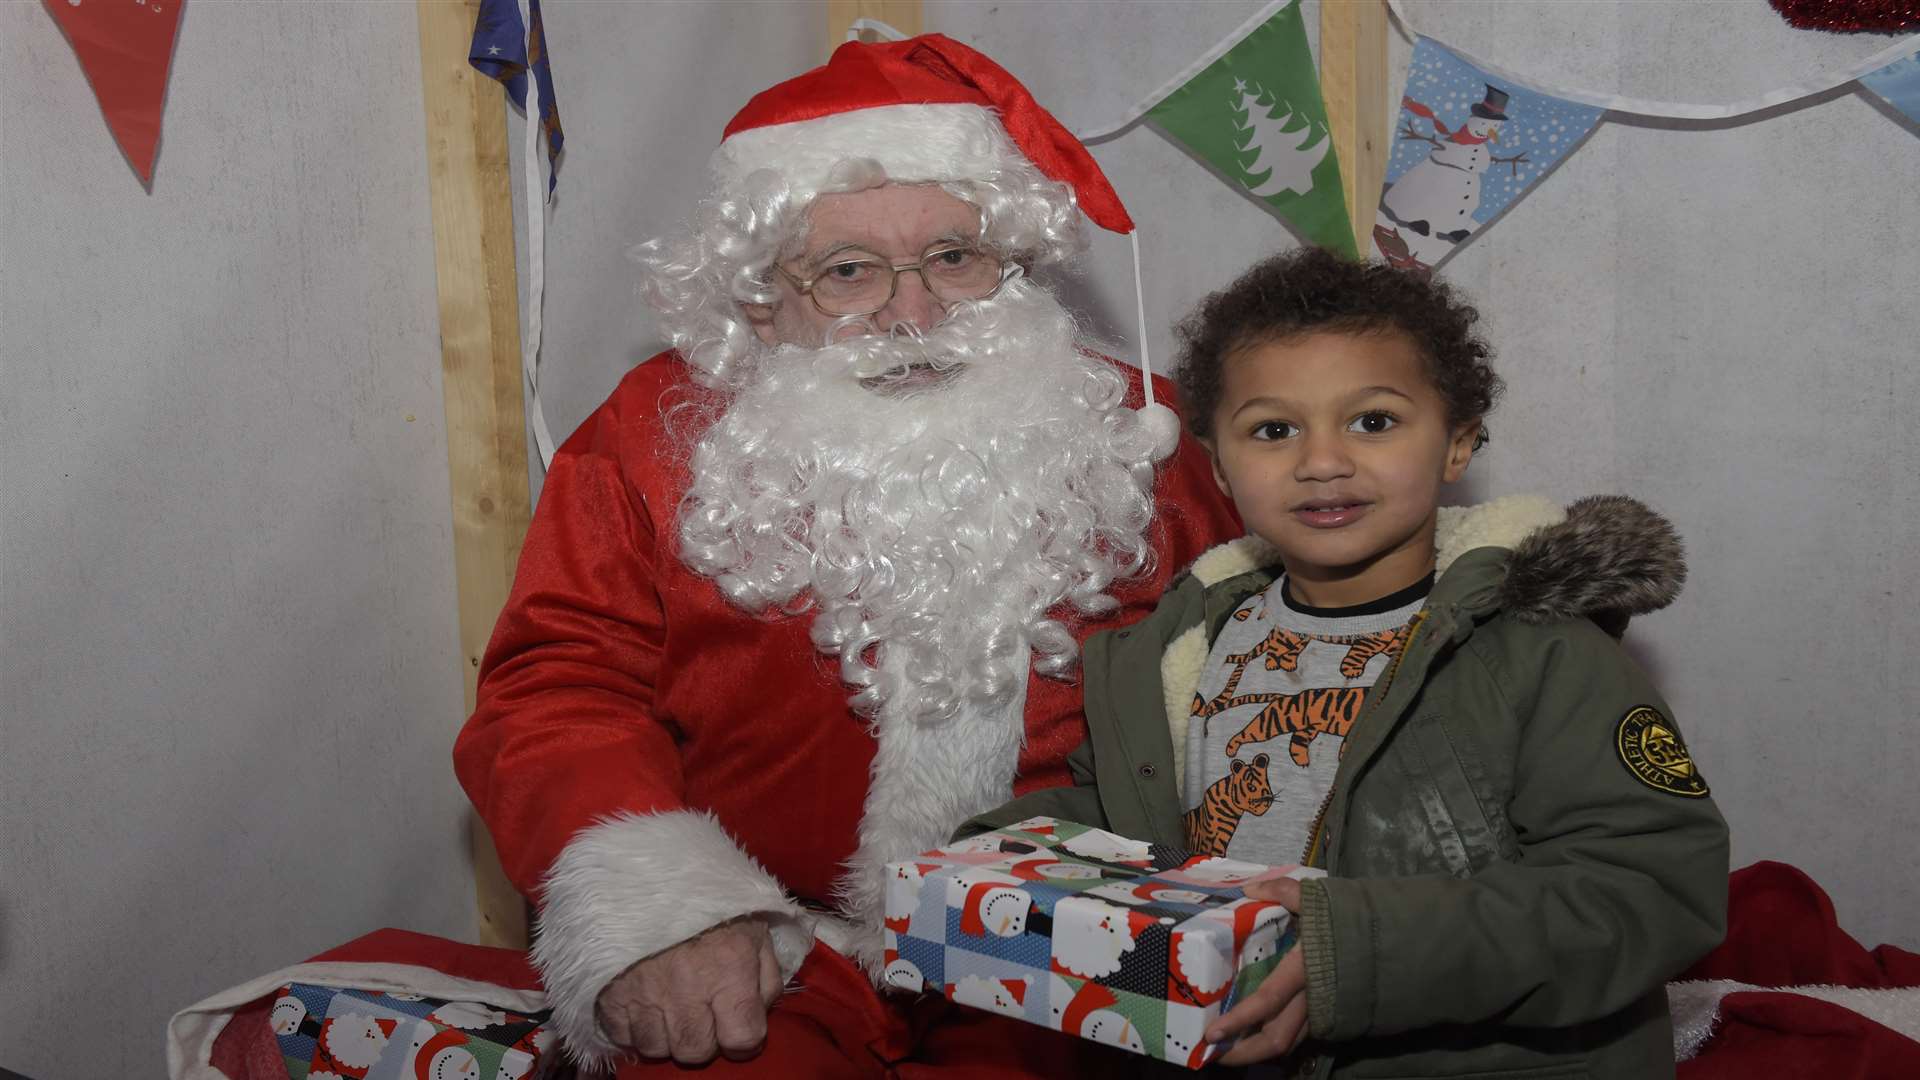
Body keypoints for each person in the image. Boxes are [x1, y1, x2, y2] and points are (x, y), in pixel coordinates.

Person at [450, 34, 1239, 1076]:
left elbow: (1260, 688)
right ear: (761, 300)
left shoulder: (1141, 433)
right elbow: (559, 690)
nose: (913, 316)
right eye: (848, 272)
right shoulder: (648, 440)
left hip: (1075, 953)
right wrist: (668, 913)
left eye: (955, 258)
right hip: (774, 946)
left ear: (1015, 262)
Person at [964, 248, 1730, 1078]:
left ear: (1457, 444)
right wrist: (1002, 859)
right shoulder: (1180, 647)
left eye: (1373, 420)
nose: (1322, 460)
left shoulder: (1542, 652)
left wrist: (1358, 953)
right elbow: (1130, 816)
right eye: (1273, 429)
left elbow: (1647, 889)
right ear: (1220, 465)